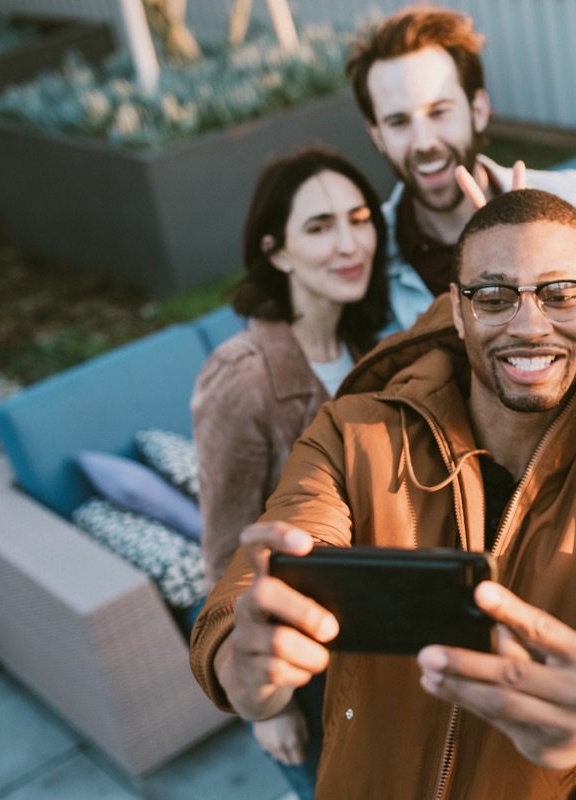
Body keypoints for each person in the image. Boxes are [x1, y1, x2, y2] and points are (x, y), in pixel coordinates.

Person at [188, 189, 576, 799]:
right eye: (494, 297)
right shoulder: (352, 432)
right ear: (457, 311)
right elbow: (242, 600)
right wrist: (245, 668)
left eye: (561, 294)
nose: (530, 325)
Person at [190, 148, 389, 799]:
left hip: (379, 636)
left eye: (359, 219)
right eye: (319, 227)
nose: (349, 241)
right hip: (307, 657)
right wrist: (269, 707)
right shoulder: (241, 376)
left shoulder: (371, 349)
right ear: (276, 252)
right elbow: (225, 549)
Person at [346, 4, 576, 333]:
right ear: (377, 136)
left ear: (479, 109)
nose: (424, 142)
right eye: (398, 122)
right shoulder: (363, 260)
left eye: (438, 112)